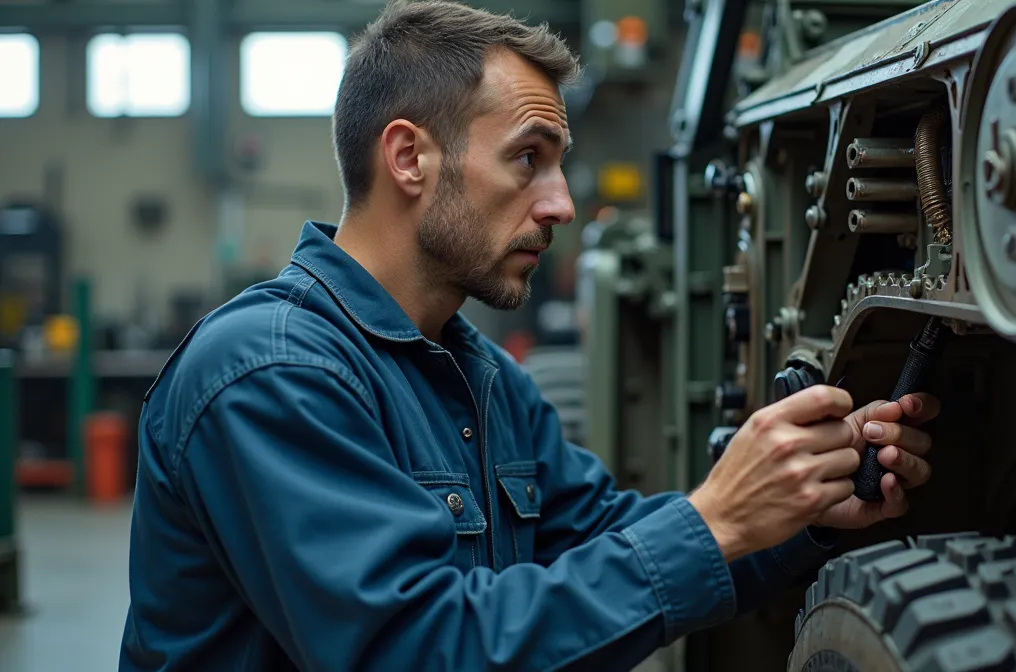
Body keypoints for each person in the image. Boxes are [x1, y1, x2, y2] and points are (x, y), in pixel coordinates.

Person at [119, 2, 939, 671]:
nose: (561, 204)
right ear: (409, 158)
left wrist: (805, 504)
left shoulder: (479, 379)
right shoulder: (268, 372)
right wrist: (716, 521)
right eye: (528, 159)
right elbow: (410, 652)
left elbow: (606, 537)